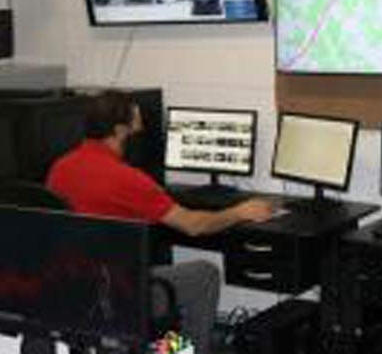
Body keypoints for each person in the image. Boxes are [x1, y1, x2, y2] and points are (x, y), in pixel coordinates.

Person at [24, 89, 273, 354]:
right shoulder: (128, 179)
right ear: (120, 130)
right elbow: (194, 225)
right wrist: (240, 211)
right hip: (115, 296)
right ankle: (181, 352)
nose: (140, 121)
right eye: (135, 116)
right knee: (205, 274)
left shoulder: (60, 168)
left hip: (69, 292)